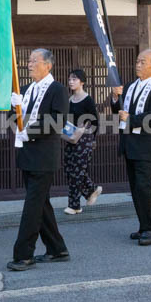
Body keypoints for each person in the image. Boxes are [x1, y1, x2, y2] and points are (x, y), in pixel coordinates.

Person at [7, 48, 70, 271]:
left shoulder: (58, 90)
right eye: (29, 60)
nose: (29, 64)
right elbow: (11, 119)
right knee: (41, 205)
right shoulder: (24, 89)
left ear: (48, 65)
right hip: (26, 155)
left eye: (35, 61)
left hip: (44, 157)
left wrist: (30, 132)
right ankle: (57, 249)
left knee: (32, 206)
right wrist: (14, 108)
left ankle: (24, 254)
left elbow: (58, 121)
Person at [109, 49, 151, 246]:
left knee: (144, 187)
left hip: (147, 146)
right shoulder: (132, 86)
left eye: (143, 62)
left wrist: (131, 119)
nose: (138, 65)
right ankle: (145, 226)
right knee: (135, 188)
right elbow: (119, 111)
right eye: (137, 61)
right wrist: (116, 98)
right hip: (130, 144)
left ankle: (150, 229)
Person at [62, 69, 102, 215]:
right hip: (72, 137)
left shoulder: (88, 100)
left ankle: (74, 205)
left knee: (77, 171)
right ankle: (91, 189)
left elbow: (95, 121)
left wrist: (93, 140)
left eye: (74, 79)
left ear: (82, 82)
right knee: (69, 168)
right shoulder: (69, 100)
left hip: (85, 138)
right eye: (70, 79)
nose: (71, 82)